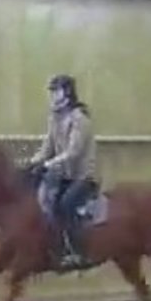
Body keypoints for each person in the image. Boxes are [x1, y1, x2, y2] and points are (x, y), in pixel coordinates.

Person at [28, 74, 98, 267]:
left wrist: (49, 164)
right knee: (43, 202)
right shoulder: (54, 118)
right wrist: (31, 162)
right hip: (64, 176)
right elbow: (47, 148)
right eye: (51, 91)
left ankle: (80, 252)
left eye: (55, 91)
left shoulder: (79, 119)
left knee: (65, 206)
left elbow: (73, 151)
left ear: (67, 93)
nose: (51, 95)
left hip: (83, 177)